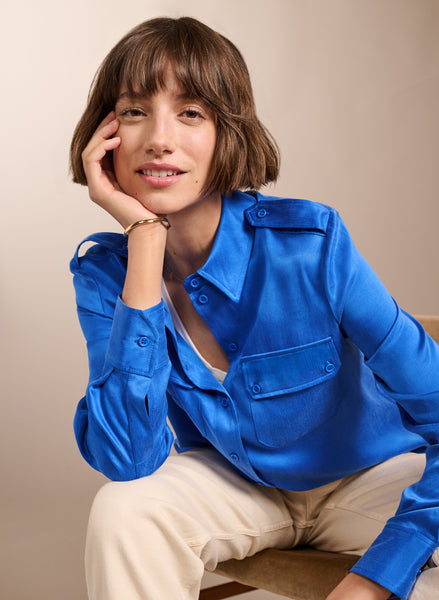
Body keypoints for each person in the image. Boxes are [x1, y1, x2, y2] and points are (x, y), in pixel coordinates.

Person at [69, 16, 439, 600]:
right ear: (105, 136)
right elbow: (127, 458)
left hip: (372, 480)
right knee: (125, 511)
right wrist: (144, 239)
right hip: (239, 488)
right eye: (135, 111)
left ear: (228, 132)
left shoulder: (311, 245)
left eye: (191, 113)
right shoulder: (105, 274)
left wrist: (374, 581)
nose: (159, 138)